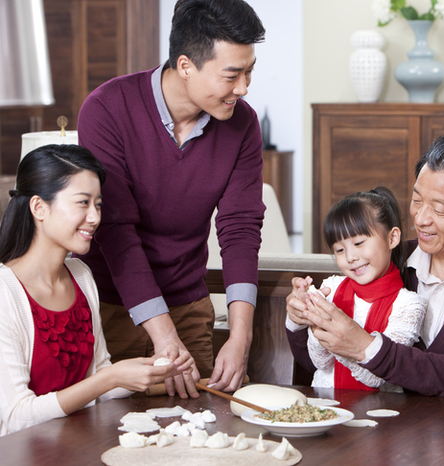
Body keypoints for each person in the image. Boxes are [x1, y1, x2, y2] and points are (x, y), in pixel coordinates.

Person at [76, 0, 266, 397]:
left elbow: (240, 229)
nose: (244, 89)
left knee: (197, 438)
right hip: (107, 310)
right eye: (232, 75)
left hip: (189, 309)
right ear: (185, 66)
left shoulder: (243, 125)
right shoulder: (107, 109)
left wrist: (239, 336)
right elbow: (115, 231)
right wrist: (163, 337)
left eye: (249, 72)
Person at [286, 135, 444, 397]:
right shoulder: (388, 258)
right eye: (417, 200)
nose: (420, 219)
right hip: (386, 424)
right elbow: (322, 365)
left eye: (439, 209)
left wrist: (365, 347)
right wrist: (300, 320)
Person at [0, 145, 194, 436]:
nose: (95, 217)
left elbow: (99, 385)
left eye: (99, 204)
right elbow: (16, 417)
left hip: (80, 446)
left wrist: (155, 372)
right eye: (83, 203)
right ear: (39, 207)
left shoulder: (80, 275)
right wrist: (111, 378)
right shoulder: (5, 291)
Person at [292, 187, 425, 391]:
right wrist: (312, 315)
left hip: (380, 414)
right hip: (325, 405)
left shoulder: (409, 305)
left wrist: (337, 331)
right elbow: (321, 363)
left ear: (392, 238)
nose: (351, 257)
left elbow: (375, 377)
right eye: (340, 249)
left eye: (359, 242)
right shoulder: (332, 287)